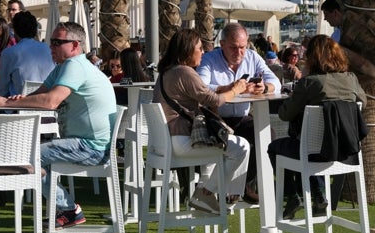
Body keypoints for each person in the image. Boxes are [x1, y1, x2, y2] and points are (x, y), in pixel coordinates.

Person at [0, 21, 116, 229]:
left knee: (27, 155)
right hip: (84, 143)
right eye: (50, 41)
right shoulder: (64, 67)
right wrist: (18, 99)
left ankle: (68, 209)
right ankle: (65, 207)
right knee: (27, 153)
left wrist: (6, 102)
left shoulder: (75, 65)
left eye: (57, 42)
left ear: (74, 45)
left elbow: (50, 102)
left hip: (92, 147)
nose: (51, 47)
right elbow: (39, 95)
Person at [267, 34, 367, 219]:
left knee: (277, 148)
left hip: (315, 152)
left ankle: (293, 196)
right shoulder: (351, 78)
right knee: (310, 146)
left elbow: (284, 114)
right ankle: (319, 194)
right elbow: (363, 103)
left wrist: (298, 90)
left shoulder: (310, 83)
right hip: (346, 151)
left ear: (312, 58)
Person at [154, 29, 250, 213]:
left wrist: (227, 88)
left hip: (167, 142)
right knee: (242, 147)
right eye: (199, 48)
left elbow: (205, 95)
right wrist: (236, 89)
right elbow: (215, 100)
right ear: (188, 50)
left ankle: (208, 195)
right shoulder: (184, 72)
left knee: (221, 149)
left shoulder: (167, 72)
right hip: (182, 141)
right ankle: (219, 196)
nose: (203, 52)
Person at [197, 22, 281, 204]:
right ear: (222, 44)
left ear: (247, 44)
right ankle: (238, 187)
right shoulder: (210, 59)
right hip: (217, 120)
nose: (239, 53)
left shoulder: (252, 57)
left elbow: (275, 81)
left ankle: (241, 184)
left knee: (268, 136)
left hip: (242, 118)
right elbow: (201, 88)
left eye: (242, 47)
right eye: (233, 48)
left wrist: (264, 87)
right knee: (245, 144)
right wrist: (230, 88)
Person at [0, 11, 55, 97]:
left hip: (19, 105)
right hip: (47, 103)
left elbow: (2, 90)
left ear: (15, 31)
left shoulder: (9, 53)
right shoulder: (48, 49)